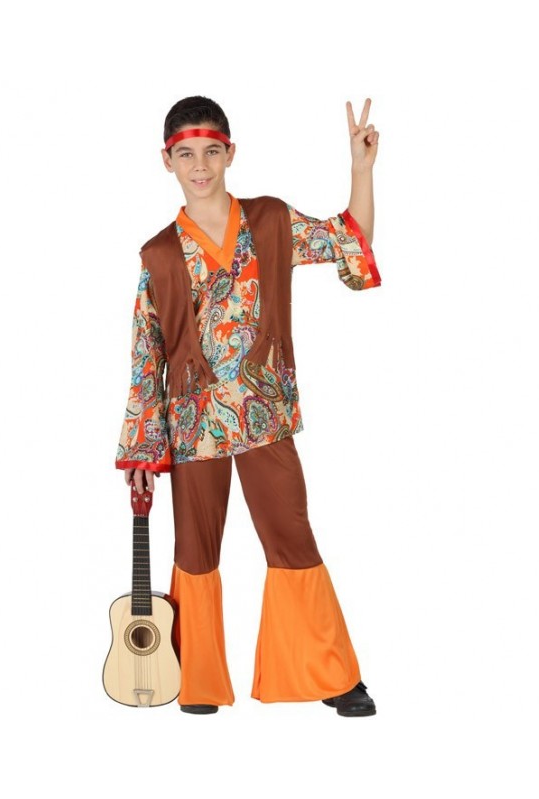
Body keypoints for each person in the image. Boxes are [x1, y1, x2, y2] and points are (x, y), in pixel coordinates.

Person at [115, 95, 381, 716]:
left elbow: (349, 243)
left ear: (230, 153)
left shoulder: (270, 221)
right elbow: (146, 358)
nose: (200, 166)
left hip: (264, 415)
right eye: (186, 155)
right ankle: (197, 679)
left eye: (211, 152)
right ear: (167, 161)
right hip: (192, 425)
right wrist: (142, 450)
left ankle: (329, 673)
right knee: (194, 551)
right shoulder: (158, 255)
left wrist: (360, 171)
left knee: (291, 535)